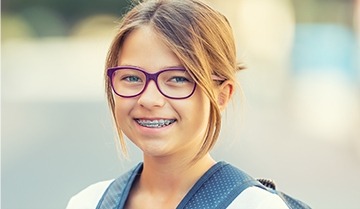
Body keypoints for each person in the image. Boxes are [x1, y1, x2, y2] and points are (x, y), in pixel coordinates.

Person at [66, 0, 311, 208]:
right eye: (132, 78)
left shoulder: (253, 205)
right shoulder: (89, 202)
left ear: (222, 95)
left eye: (177, 79)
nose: (149, 99)